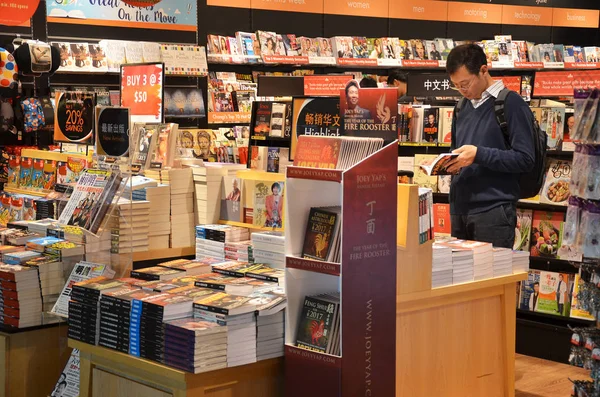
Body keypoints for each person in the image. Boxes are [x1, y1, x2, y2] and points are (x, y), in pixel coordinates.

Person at [443, 44, 535, 248]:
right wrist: (444, 163)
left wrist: (479, 154)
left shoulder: (511, 104)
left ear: (483, 70)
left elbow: (525, 159)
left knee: (492, 279)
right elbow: (458, 151)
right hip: (459, 209)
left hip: (493, 211)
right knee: (459, 279)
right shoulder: (461, 107)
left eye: (465, 83)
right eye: (456, 85)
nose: (462, 90)